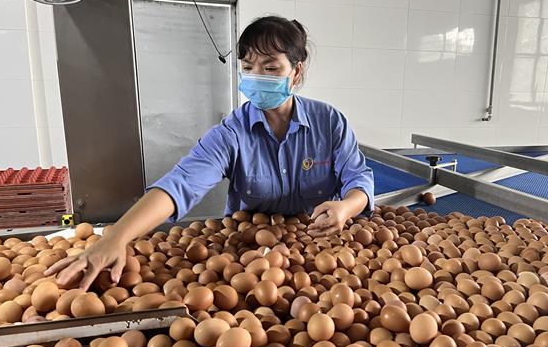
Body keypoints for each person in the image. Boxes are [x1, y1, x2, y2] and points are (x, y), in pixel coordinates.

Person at [46, 16, 374, 291]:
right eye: (249, 67)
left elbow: (357, 177)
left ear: (296, 73)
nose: (257, 77)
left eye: (271, 68)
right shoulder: (232, 133)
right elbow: (181, 184)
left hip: (317, 245)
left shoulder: (328, 122)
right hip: (245, 257)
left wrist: (347, 207)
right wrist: (117, 237)